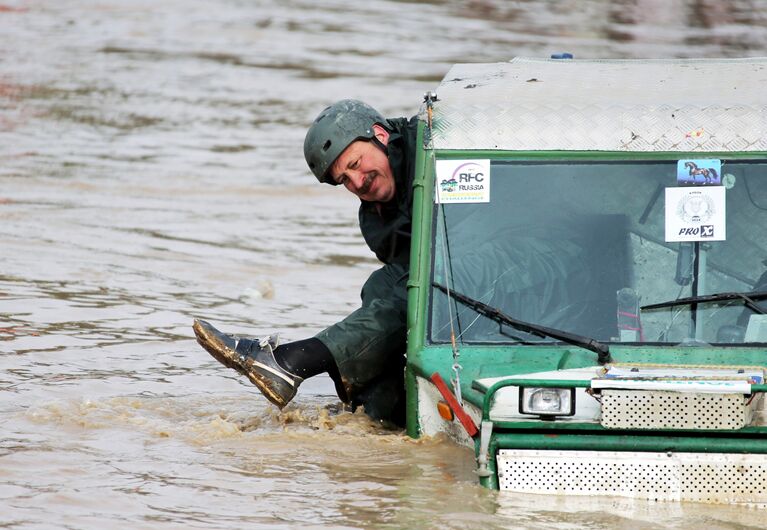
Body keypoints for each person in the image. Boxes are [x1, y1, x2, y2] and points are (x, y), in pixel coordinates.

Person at [193, 100, 418, 424]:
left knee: (403, 288)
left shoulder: (434, 152)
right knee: (382, 287)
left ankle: (292, 361)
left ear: (381, 135)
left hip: (494, 280)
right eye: (344, 180)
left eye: (355, 163)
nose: (357, 182)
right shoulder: (376, 221)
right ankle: (377, 418)